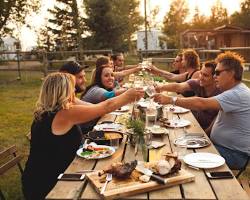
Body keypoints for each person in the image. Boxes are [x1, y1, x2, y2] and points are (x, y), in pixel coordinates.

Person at [22, 72, 144, 200]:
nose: (74, 90)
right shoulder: (65, 114)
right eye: (71, 87)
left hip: (43, 174)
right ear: (63, 91)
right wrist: (128, 96)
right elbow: (106, 107)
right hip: (48, 184)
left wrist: (73, 98)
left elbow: (95, 108)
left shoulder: (47, 112)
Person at [153, 51, 250, 170]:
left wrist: (171, 99)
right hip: (220, 146)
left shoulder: (237, 94)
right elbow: (218, 120)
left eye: (218, 73)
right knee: (178, 143)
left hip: (233, 154)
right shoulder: (232, 91)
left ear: (231, 74)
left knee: (182, 155)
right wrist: (204, 135)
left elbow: (201, 103)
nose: (215, 77)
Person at [155, 61, 220, 131]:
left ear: (215, 77)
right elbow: (178, 86)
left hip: (208, 131)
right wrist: (160, 87)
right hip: (195, 125)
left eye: (205, 75)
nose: (201, 77)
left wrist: (205, 134)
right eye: (201, 73)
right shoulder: (199, 83)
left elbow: (215, 120)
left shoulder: (220, 92)